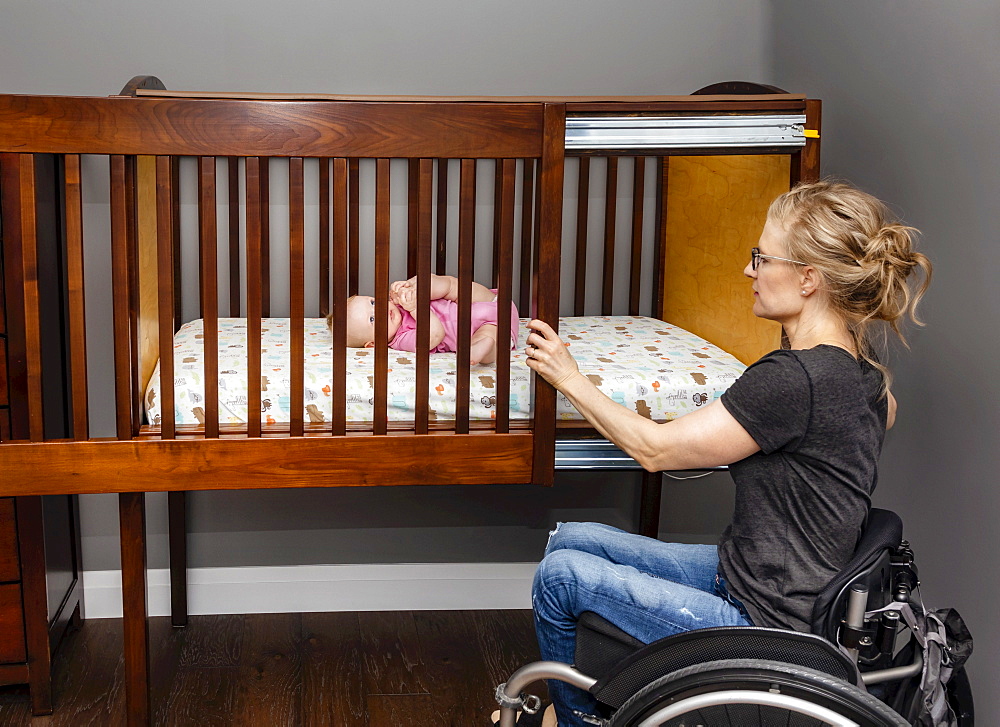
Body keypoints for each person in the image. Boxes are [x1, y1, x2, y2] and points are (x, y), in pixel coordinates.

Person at [519, 180, 933, 727]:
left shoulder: (793, 380)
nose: (749, 271)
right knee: (572, 538)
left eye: (761, 257)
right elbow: (878, 414)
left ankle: (575, 723)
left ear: (808, 278)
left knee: (561, 577)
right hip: (758, 579)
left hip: (766, 619)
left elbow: (655, 450)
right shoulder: (861, 375)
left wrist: (568, 376)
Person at [333, 274, 519, 364]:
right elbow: (435, 335)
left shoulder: (398, 302)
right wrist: (415, 308)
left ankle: (420, 282)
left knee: (447, 285)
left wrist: (409, 287)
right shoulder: (401, 339)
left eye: (373, 303)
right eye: (373, 319)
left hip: (489, 300)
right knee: (488, 340)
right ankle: (482, 348)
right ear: (373, 343)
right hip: (494, 327)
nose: (382, 310)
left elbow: (434, 290)